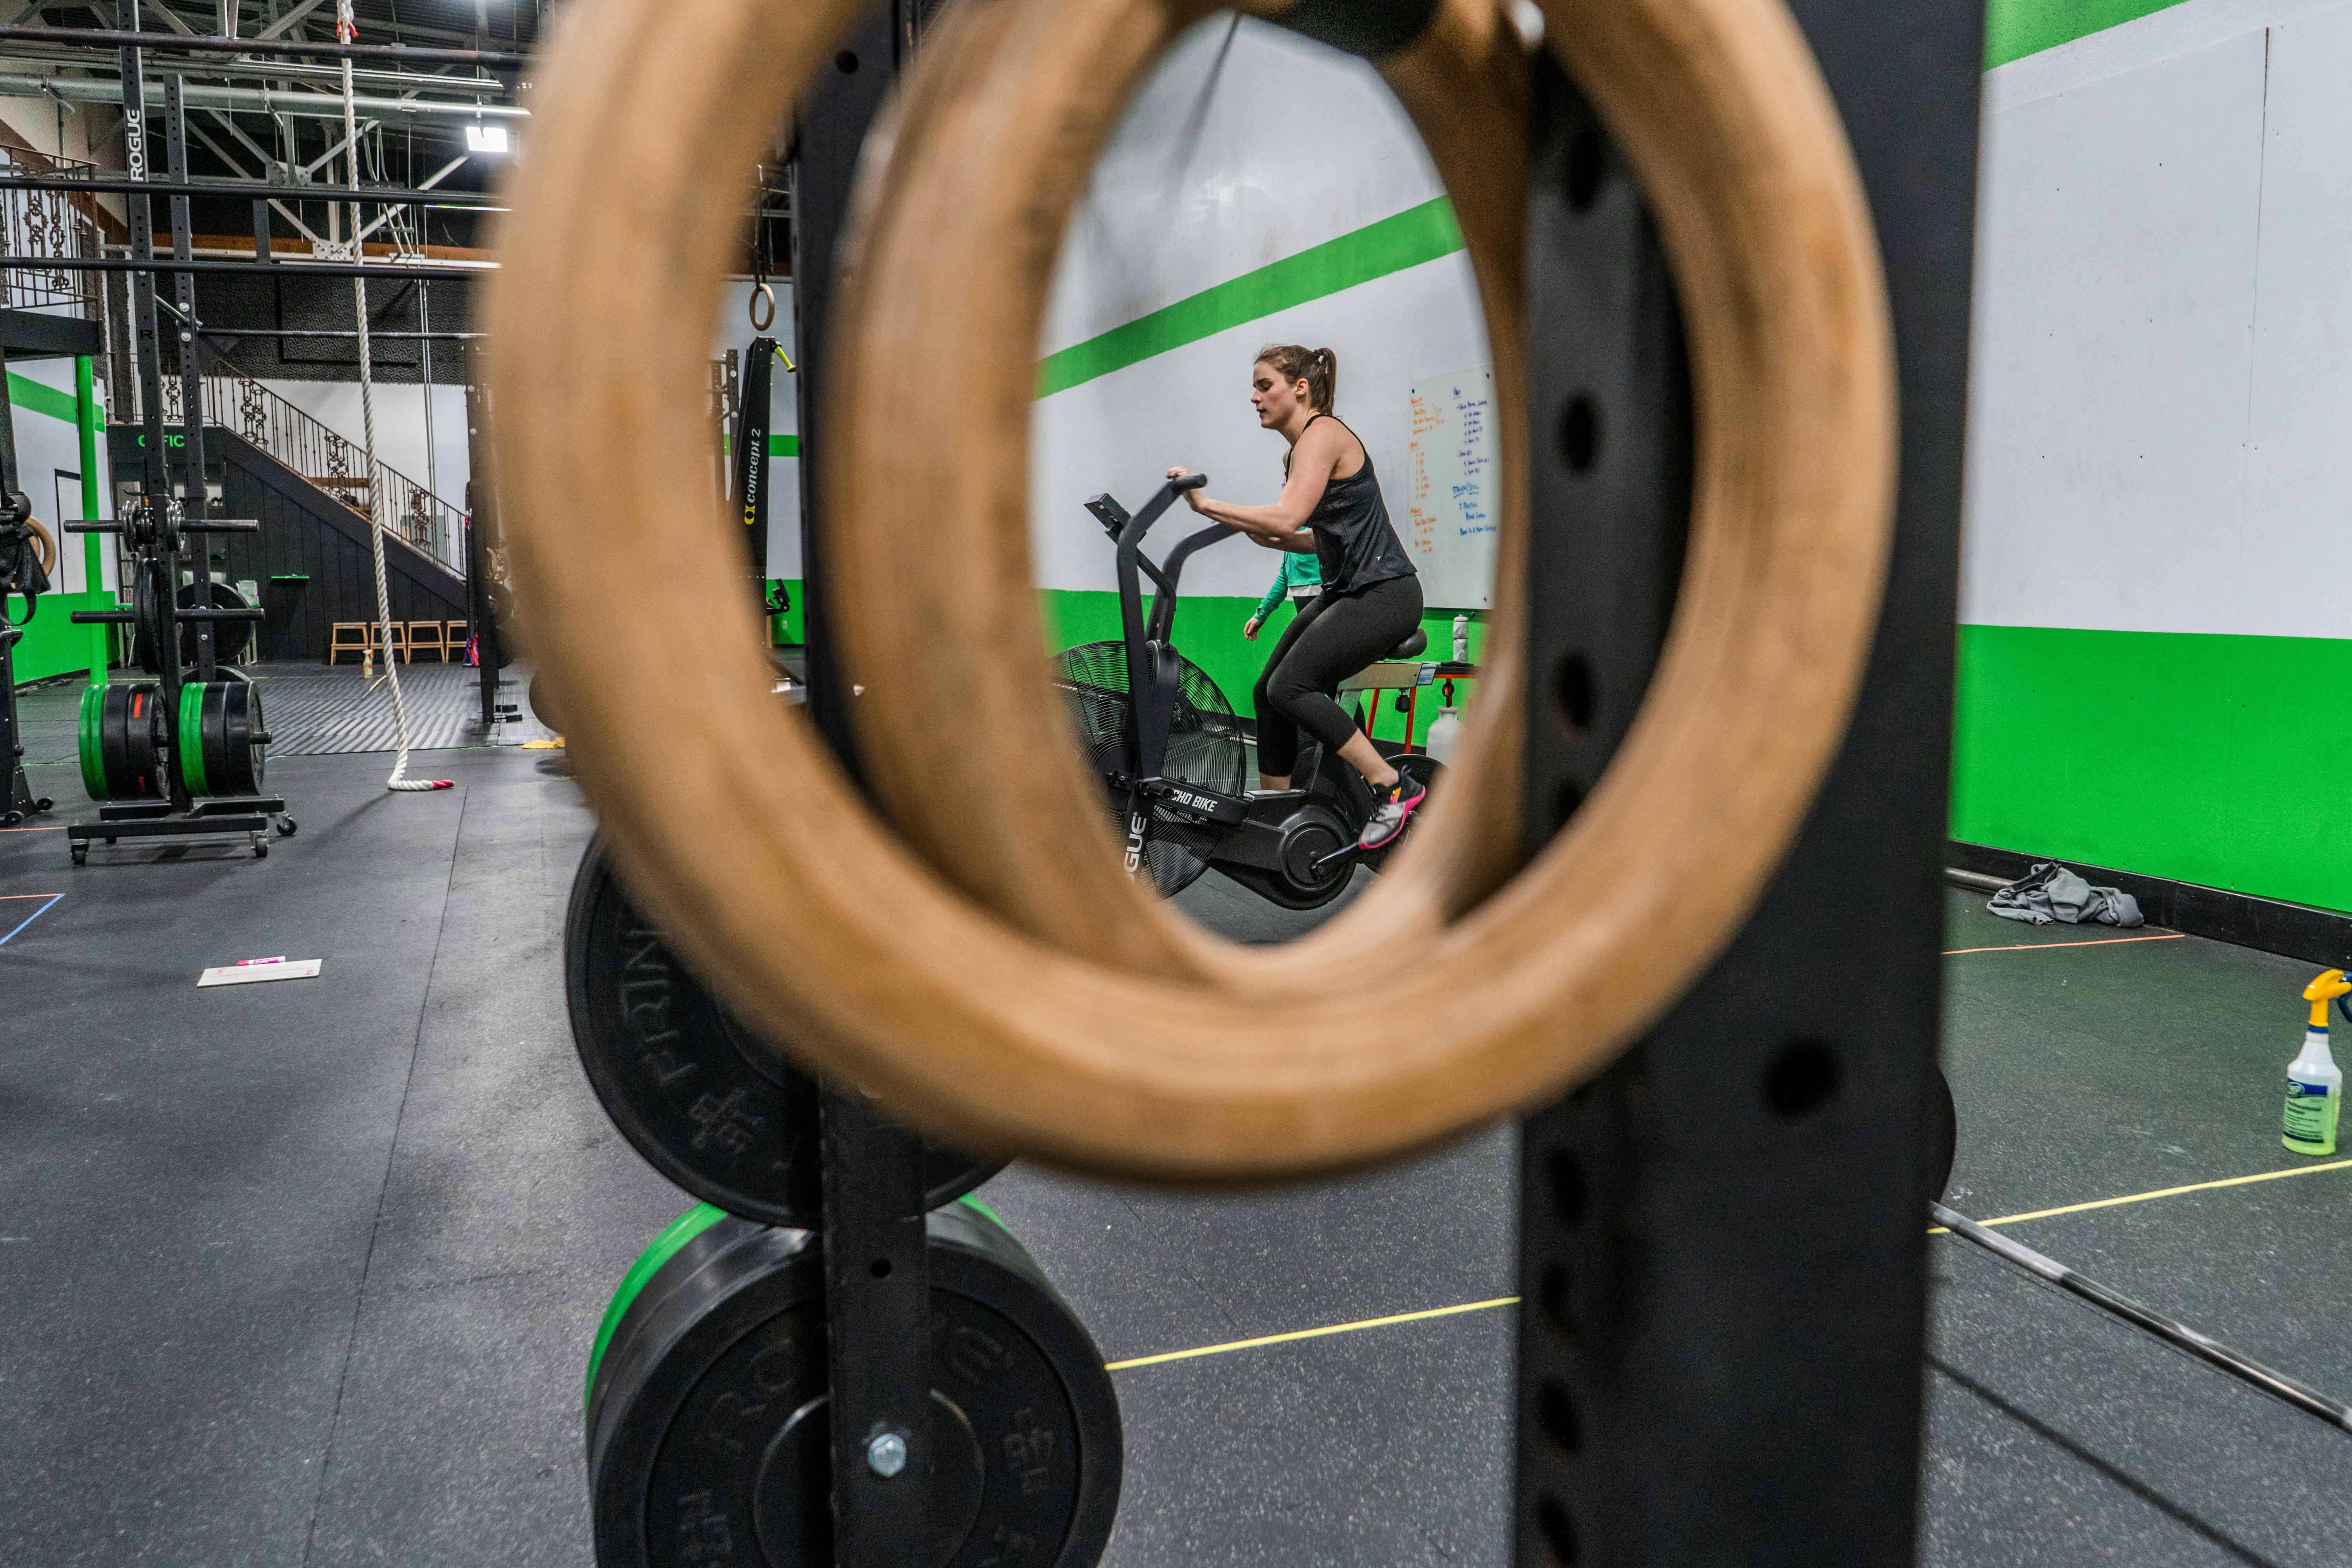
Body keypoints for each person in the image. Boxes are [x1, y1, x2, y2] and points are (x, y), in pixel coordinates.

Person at [1167, 343, 1427, 850]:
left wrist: (1207, 505)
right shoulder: (1295, 453)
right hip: (1347, 590)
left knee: (1292, 687)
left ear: (1301, 388)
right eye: (1255, 388)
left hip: (1387, 593)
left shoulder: (1323, 434)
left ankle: (1393, 786)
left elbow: (1286, 518)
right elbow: (1311, 536)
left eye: (1265, 386)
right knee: (1269, 693)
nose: (1255, 397)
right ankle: (1276, 814)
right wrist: (1268, 536)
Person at [1243, 547, 1321, 643]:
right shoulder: (1292, 545)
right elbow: (1285, 576)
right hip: (1303, 606)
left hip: (1324, 602)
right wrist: (1262, 613)